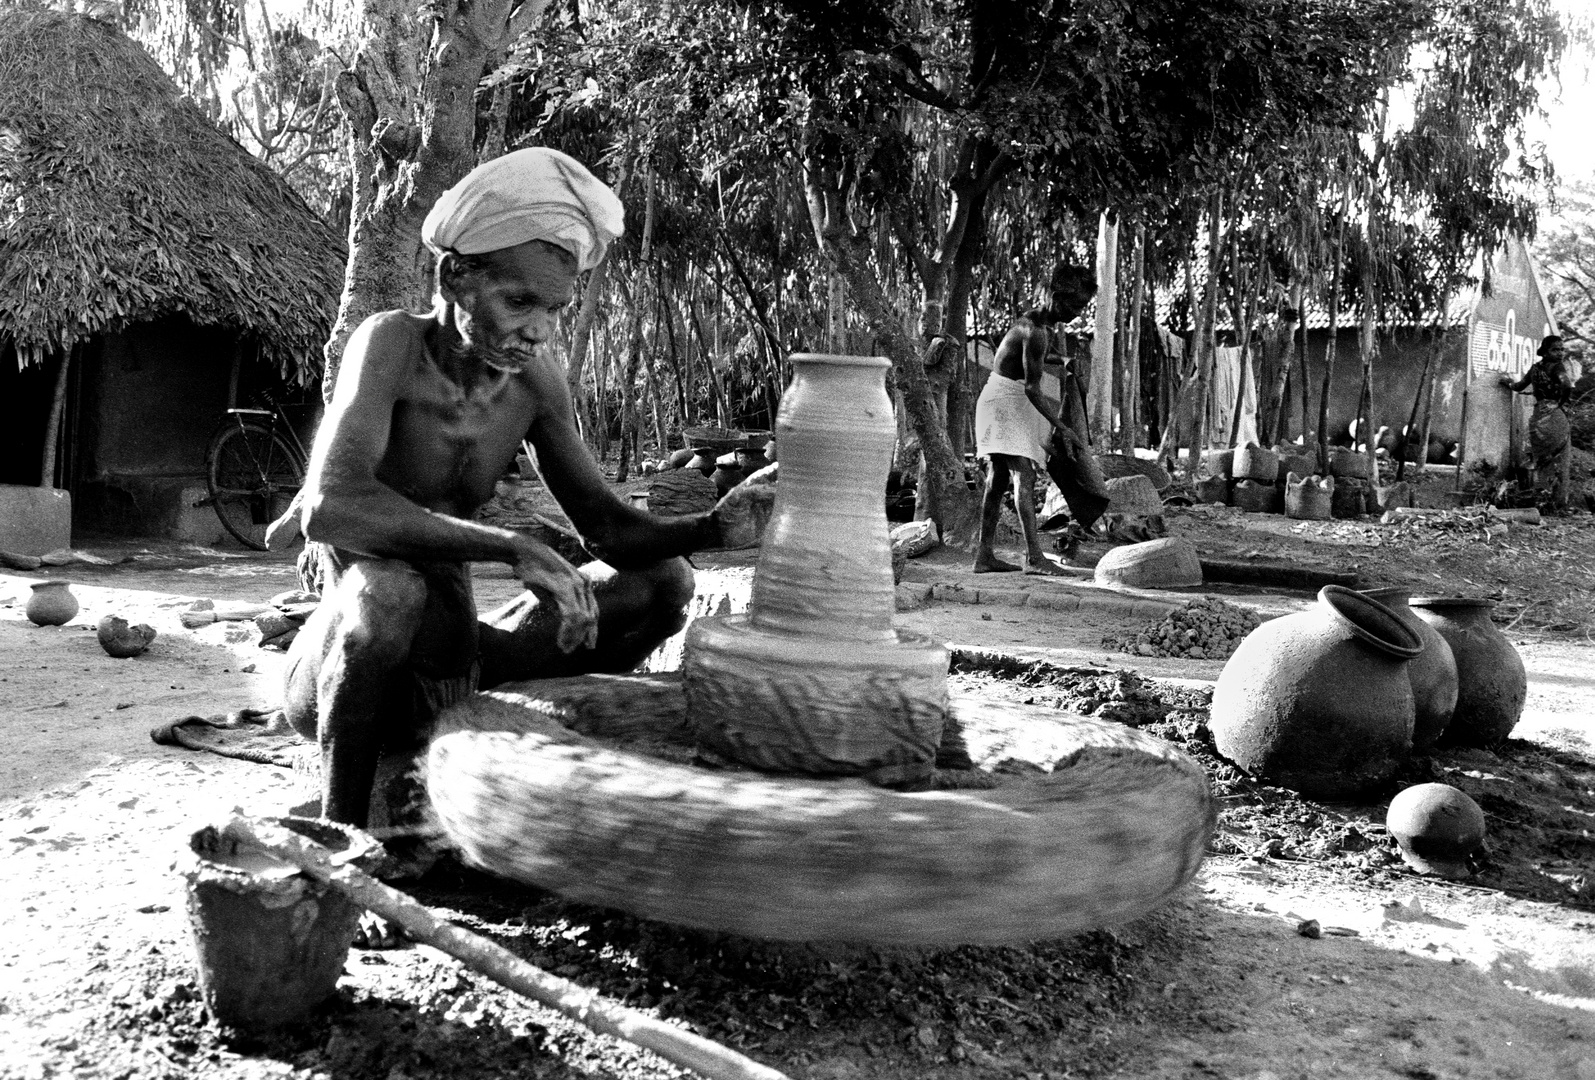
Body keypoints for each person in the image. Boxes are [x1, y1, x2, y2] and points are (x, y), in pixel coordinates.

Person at [278, 148, 771, 870]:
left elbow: (607, 527)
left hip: (462, 666)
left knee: (662, 583)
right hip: (352, 666)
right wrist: (511, 548)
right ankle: (347, 840)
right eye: (520, 301)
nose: (540, 329)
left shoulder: (534, 382)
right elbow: (330, 506)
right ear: (457, 276)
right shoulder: (390, 343)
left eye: (554, 310)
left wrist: (714, 527)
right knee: (391, 589)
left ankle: (529, 740)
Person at [972, 264, 1097, 574]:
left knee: (998, 479)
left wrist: (1064, 359)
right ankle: (1034, 558)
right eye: (1075, 305)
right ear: (1056, 296)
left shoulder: (1034, 322)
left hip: (999, 398)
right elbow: (1032, 389)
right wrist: (1062, 426)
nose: (1077, 313)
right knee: (1022, 476)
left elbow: (1037, 356)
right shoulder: (1037, 330)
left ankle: (984, 556)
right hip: (1005, 403)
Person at [1502, 334, 1574, 510]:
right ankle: (1556, 503)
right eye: (1555, 349)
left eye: (1562, 349)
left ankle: (1542, 500)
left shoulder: (1535, 368)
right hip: (1554, 416)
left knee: (1542, 460)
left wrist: (1508, 383)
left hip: (1538, 418)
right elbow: (1566, 385)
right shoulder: (1558, 368)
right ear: (1545, 351)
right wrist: (1559, 403)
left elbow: (1519, 386)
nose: (1560, 353)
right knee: (1559, 460)